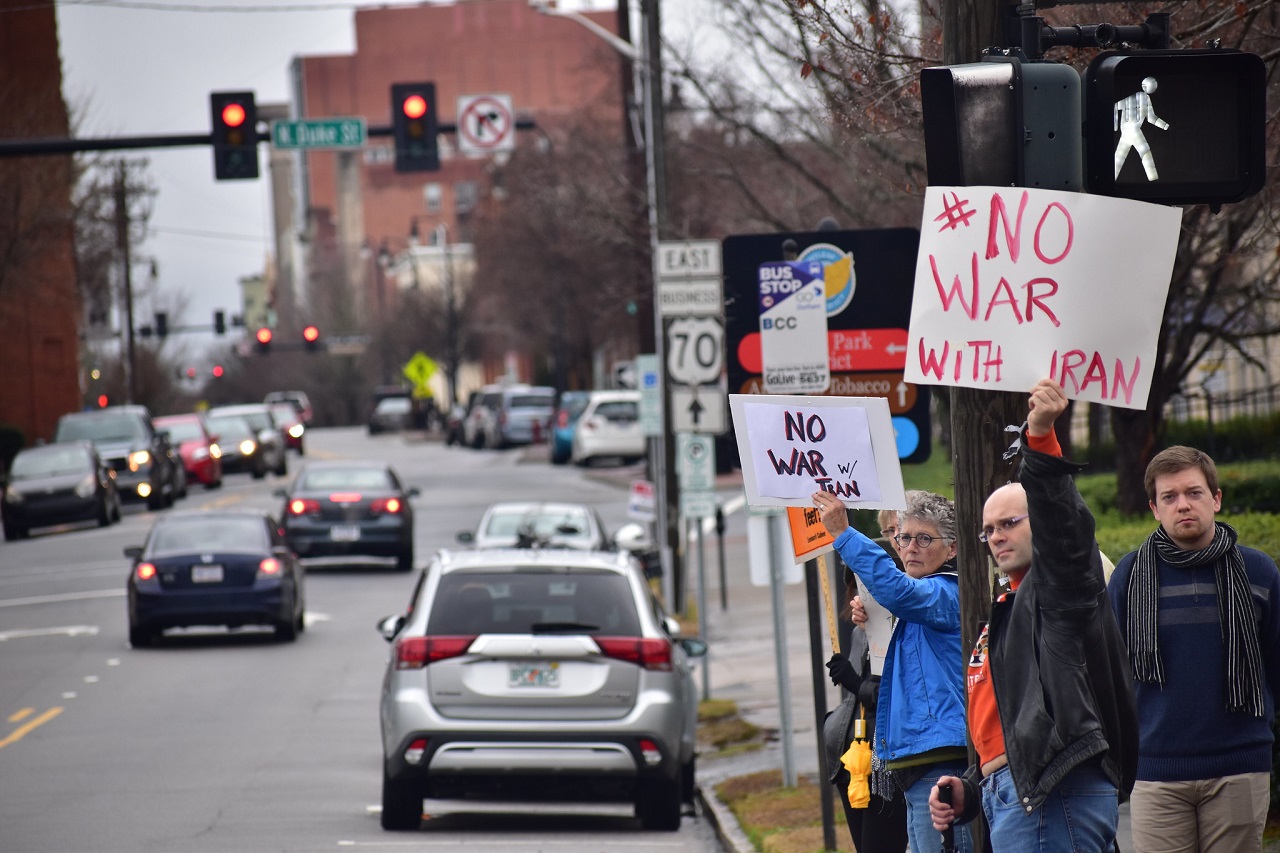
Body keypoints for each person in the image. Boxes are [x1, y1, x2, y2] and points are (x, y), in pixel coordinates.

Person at [927, 377, 1137, 852]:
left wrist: (1040, 438)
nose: (997, 536)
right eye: (988, 531)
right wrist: (971, 785)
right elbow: (1006, 721)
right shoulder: (1006, 607)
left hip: (1055, 791)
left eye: (1009, 523)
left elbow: (1066, 528)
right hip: (1017, 795)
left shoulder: (1060, 587)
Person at [1108, 445, 1280, 852]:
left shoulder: (1259, 571)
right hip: (1155, 772)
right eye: (1169, 497)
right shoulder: (1130, 577)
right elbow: (1113, 672)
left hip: (1239, 768)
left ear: (1216, 499)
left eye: (1194, 493)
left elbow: (1274, 663)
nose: (1182, 505)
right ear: (1154, 507)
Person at [812, 489, 973, 853]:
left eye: (924, 538)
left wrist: (843, 534)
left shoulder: (948, 590)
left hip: (940, 759)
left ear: (952, 549)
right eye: (904, 537)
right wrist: (873, 618)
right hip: (918, 758)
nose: (910, 547)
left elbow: (901, 592)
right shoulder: (922, 594)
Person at [821, 509, 909, 853]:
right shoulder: (860, 630)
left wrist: (856, 684)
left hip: (885, 765)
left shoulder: (901, 622)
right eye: (855, 586)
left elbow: (893, 694)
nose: (861, 595)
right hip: (851, 763)